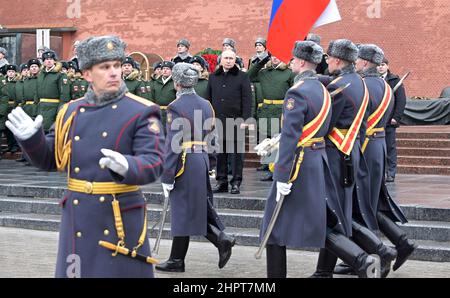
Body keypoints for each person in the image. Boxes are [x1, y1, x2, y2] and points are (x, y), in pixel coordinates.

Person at [6, 35, 164, 278]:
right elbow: (52, 159)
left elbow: (153, 162)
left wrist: (127, 165)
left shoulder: (141, 111)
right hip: (79, 217)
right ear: (88, 74)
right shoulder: (71, 111)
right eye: (105, 67)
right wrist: (32, 140)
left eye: (117, 65)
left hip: (118, 217)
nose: (114, 72)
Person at [311, 39, 396, 278]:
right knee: (339, 212)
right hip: (352, 152)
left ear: (337, 59)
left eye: (328, 58)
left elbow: (325, 123)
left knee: (334, 213)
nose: (326, 61)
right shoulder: (356, 82)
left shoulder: (340, 87)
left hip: (336, 155)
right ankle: (324, 270)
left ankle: (378, 250)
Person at [156, 63, 235, 272]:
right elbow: (213, 137)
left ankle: (221, 239)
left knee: (187, 210)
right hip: (200, 159)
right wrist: (211, 162)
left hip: (184, 161)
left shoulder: (175, 106)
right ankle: (177, 259)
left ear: (177, 83)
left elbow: (173, 143)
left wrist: (167, 175)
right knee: (189, 210)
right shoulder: (206, 104)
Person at [207, 50, 252, 195]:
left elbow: (247, 100)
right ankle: (222, 181)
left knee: (236, 154)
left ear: (235, 60)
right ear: (221, 60)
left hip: (236, 120)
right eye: (226, 58)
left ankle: (236, 182)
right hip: (218, 121)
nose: (228, 61)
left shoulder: (242, 77)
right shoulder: (213, 77)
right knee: (220, 153)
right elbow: (208, 99)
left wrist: (245, 119)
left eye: (231, 58)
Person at [248, 53, 295, 181]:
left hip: (280, 110)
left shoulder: (289, 73)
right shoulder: (264, 72)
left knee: (277, 141)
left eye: (277, 55)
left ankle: (278, 169)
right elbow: (249, 76)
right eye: (273, 56)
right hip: (266, 109)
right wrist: (263, 60)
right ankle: (269, 169)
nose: (275, 58)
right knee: (266, 140)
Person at [377, 58, 407, 182]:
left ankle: (391, 172)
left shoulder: (394, 80)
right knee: (378, 147)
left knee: (390, 147)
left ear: (387, 66)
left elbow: (401, 101)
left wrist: (396, 117)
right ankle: (380, 172)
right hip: (376, 121)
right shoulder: (373, 80)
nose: (380, 67)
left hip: (389, 120)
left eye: (383, 65)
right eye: (378, 65)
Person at [36, 50, 71, 132]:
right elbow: (36, 92)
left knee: (52, 132)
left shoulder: (60, 75)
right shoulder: (41, 75)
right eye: (46, 59)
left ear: (54, 61)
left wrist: (61, 109)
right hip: (41, 108)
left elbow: (64, 94)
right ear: (43, 62)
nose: (49, 61)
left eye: (51, 59)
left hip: (54, 108)